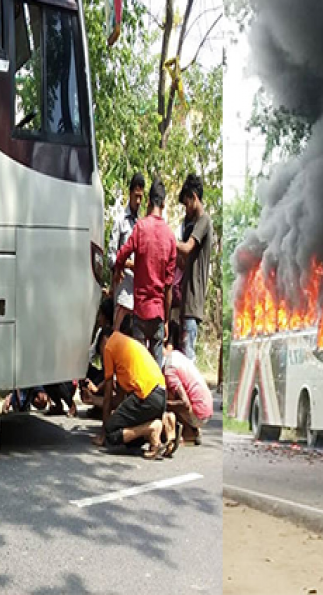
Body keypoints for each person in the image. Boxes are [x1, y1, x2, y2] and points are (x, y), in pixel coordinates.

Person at [113, 179, 177, 367]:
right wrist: (166, 320)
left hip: (140, 310)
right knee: (156, 371)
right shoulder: (170, 237)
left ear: (149, 202)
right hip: (158, 313)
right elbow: (169, 286)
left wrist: (118, 271)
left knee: (139, 369)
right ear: (163, 204)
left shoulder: (140, 228)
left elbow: (121, 255)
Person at [92, 327, 178, 459]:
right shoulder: (127, 344)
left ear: (102, 342)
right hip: (160, 395)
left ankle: (151, 428)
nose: (103, 359)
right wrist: (93, 399)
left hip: (146, 396)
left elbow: (108, 397)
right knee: (131, 441)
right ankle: (164, 426)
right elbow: (120, 402)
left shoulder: (109, 347)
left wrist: (103, 433)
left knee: (112, 434)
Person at [177, 174, 213, 362]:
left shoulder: (204, 221)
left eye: (186, 204)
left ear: (194, 197)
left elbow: (187, 247)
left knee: (188, 358)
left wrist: (167, 238)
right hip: (186, 303)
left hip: (193, 303)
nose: (186, 209)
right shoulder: (192, 224)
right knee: (184, 355)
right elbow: (183, 260)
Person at [163, 323, 213, 446]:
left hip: (199, 413)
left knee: (166, 398)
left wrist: (164, 405)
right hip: (207, 407)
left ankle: (185, 432)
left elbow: (184, 403)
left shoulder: (169, 370)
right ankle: (192, 430)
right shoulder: (177, 355)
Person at [107, 173, 145, 332]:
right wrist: (128, 264)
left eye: (141, 197)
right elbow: (111, 257)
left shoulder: (142, 223)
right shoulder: (120, 220)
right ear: (130, 193)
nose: (138, 201)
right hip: (123, 290)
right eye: (136, 196)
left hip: (137, 294)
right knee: (117, 335)